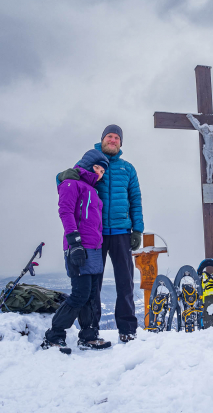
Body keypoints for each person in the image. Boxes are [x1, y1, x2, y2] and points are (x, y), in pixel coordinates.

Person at [58, 125, 144, 343]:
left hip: (121, 231)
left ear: (121, 143)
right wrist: (60, 176)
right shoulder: (92, 161)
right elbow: (68, 182)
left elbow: (135, 200)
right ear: (102, 140)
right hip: (94, 234)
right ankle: (91, 329)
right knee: (94, 283)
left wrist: (138, 229)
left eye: (117, 138)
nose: (113, 140)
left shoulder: (128, 169)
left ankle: (127, 328)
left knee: (125, 281)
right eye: (109, 136)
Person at [42, 149, 111, 354]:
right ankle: (54, 336)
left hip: (94, 248)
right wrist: (75, 242)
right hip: (79, 246)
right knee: (80, 294)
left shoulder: (93, 190)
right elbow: (65, 211)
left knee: (91, 294)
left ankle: (88, 337)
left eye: (102, 171)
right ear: (87, 165)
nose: (99, 173)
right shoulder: (71, 183)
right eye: (97, 168)